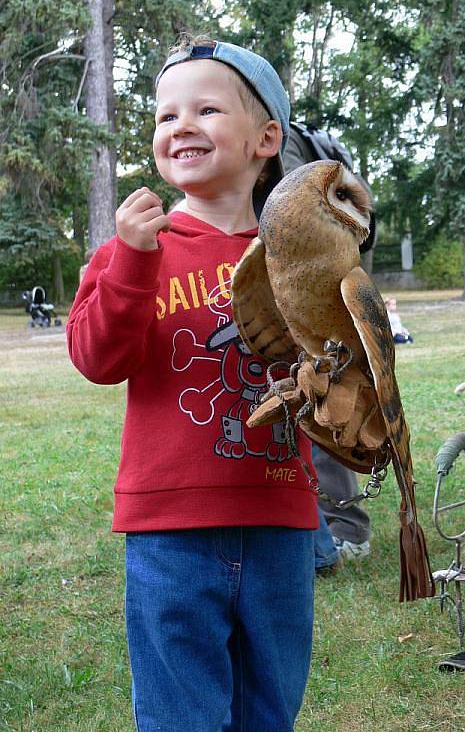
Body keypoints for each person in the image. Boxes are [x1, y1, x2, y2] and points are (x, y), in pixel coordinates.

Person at [67, 36, 318, 732]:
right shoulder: (133, 249)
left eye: (206, 108)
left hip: (279, 518)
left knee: (270, 707)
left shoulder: (295, 259)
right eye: (164, 115)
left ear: (266, 137)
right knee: (181, 713)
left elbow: (338, 374)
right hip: (168, 531)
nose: (180, 125)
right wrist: (131, 263)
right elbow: (96, 358)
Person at [283, 123, 372, 573]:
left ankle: (343, 533)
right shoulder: (307, 138)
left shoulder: (288, 145)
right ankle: (327, 537)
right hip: (315, 290)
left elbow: (301, 216)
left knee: (319, 410)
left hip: (311, 294)